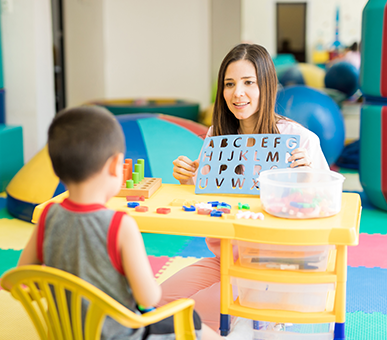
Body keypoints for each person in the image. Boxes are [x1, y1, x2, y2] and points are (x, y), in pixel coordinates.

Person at [17, 106, 251, 340]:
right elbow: (148, 299)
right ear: (115, 165)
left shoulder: (47, 217)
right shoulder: (120, 225)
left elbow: (22, 277)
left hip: (64, 331)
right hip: (120, 334)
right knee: (193, 323)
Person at [158, 43, 330, 332]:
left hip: (276, 268)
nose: (238, 93)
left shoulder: (300, 139)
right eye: (229, 84)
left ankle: (260, 325)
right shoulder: (218, 137)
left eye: (249, 82)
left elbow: (327, 211)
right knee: (156, 304)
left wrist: (309, 181)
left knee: (193, 318)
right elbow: (210, 199)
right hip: (226, 257)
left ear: (267, 86)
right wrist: (190, 178)